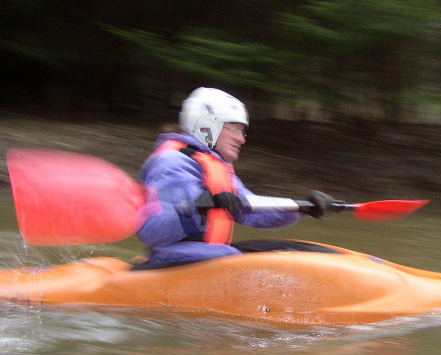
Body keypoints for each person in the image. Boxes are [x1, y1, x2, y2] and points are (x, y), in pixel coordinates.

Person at [137, 87, 334, 264]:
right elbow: (152, 232)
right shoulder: (172, 163)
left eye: (242, 131)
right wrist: (200, 207)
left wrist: (303, 207)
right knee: (240, 258)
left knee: (285, 247)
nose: (241, 139)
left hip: (209, 256)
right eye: (233, 128)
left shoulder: (218, 167)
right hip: (173, 262)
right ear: (205, 126)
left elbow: (252, 210)